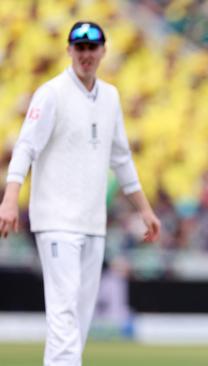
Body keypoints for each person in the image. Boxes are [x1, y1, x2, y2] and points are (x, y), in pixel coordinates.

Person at [0, 21, 160, 365]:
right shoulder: (51, 93)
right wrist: (10, 199)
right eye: (79, 47)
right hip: (56, 221)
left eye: (92, 47)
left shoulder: (111, 97)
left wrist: (144, 210)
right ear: (70, 50)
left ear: (103, 51)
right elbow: (26, 147)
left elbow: (121, 158)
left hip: (92, 222)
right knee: (64, 310)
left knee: (80, 318)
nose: (86, 54)